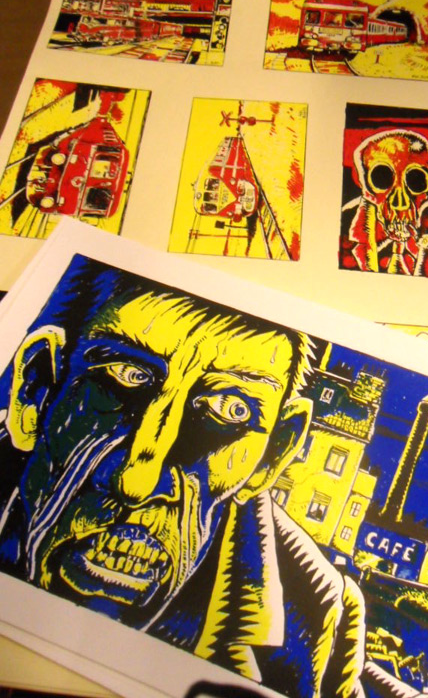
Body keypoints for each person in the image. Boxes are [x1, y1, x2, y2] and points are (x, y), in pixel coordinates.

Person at [0, 256, 366, 698]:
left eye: (231, 410)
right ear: (35, 391)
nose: (138, 483)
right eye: (125, 376)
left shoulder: (315, 610)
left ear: (272, 457)